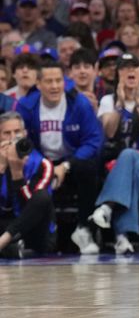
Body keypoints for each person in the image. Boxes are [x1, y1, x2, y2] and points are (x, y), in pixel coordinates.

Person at [16, 59, 104, 255]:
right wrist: (45, 165)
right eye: (49, 81)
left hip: (72, 161)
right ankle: (27, 235)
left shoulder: (80, 103)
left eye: (58, 80)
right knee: (19, 171)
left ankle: (83, 228)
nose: (55, 86)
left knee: (88, 168)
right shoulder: (25, 106)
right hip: (40, 162)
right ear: (38, 84)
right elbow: (23, 143)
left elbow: (93, 141)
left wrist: (66, 166)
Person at [89, 53, 139, 255]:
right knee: (128, 167)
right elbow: (109, 131)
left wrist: (138, 101)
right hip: (120, 165)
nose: (130, 71)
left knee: (129, 156)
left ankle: (107, 207)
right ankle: (122, 238)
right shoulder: (109, 100)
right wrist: (120, 104)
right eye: (124, 68)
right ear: (118, 74)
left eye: (134, 67)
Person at [0, 112, 56, 257]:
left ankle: (5, 244)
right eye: (7, 133)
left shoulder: (42, 164)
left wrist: (17, 173)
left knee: (43, 197)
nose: (13, 137)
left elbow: (34, 206)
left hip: (34, 230)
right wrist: (1, 169)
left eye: (17, 132)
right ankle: (11, 249)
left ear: (24, 134)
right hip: (5, 223)